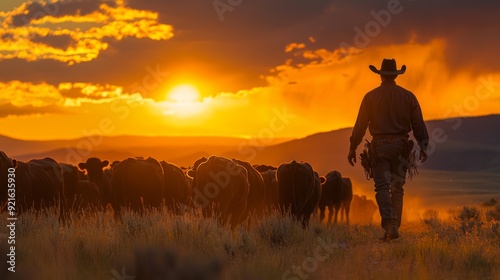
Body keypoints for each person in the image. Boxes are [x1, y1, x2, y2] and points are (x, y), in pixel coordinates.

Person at [347, 58, 429, 241]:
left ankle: (390, 225)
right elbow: (418, 124)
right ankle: (393, 227)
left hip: (379, 147)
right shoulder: (409, 96)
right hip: (401, 147)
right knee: (397, 188)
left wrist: (353, 147)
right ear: (396, 76)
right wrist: (423, 146)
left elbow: (360, 125)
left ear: (381, 75)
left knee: (382, 187)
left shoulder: (370, 97)